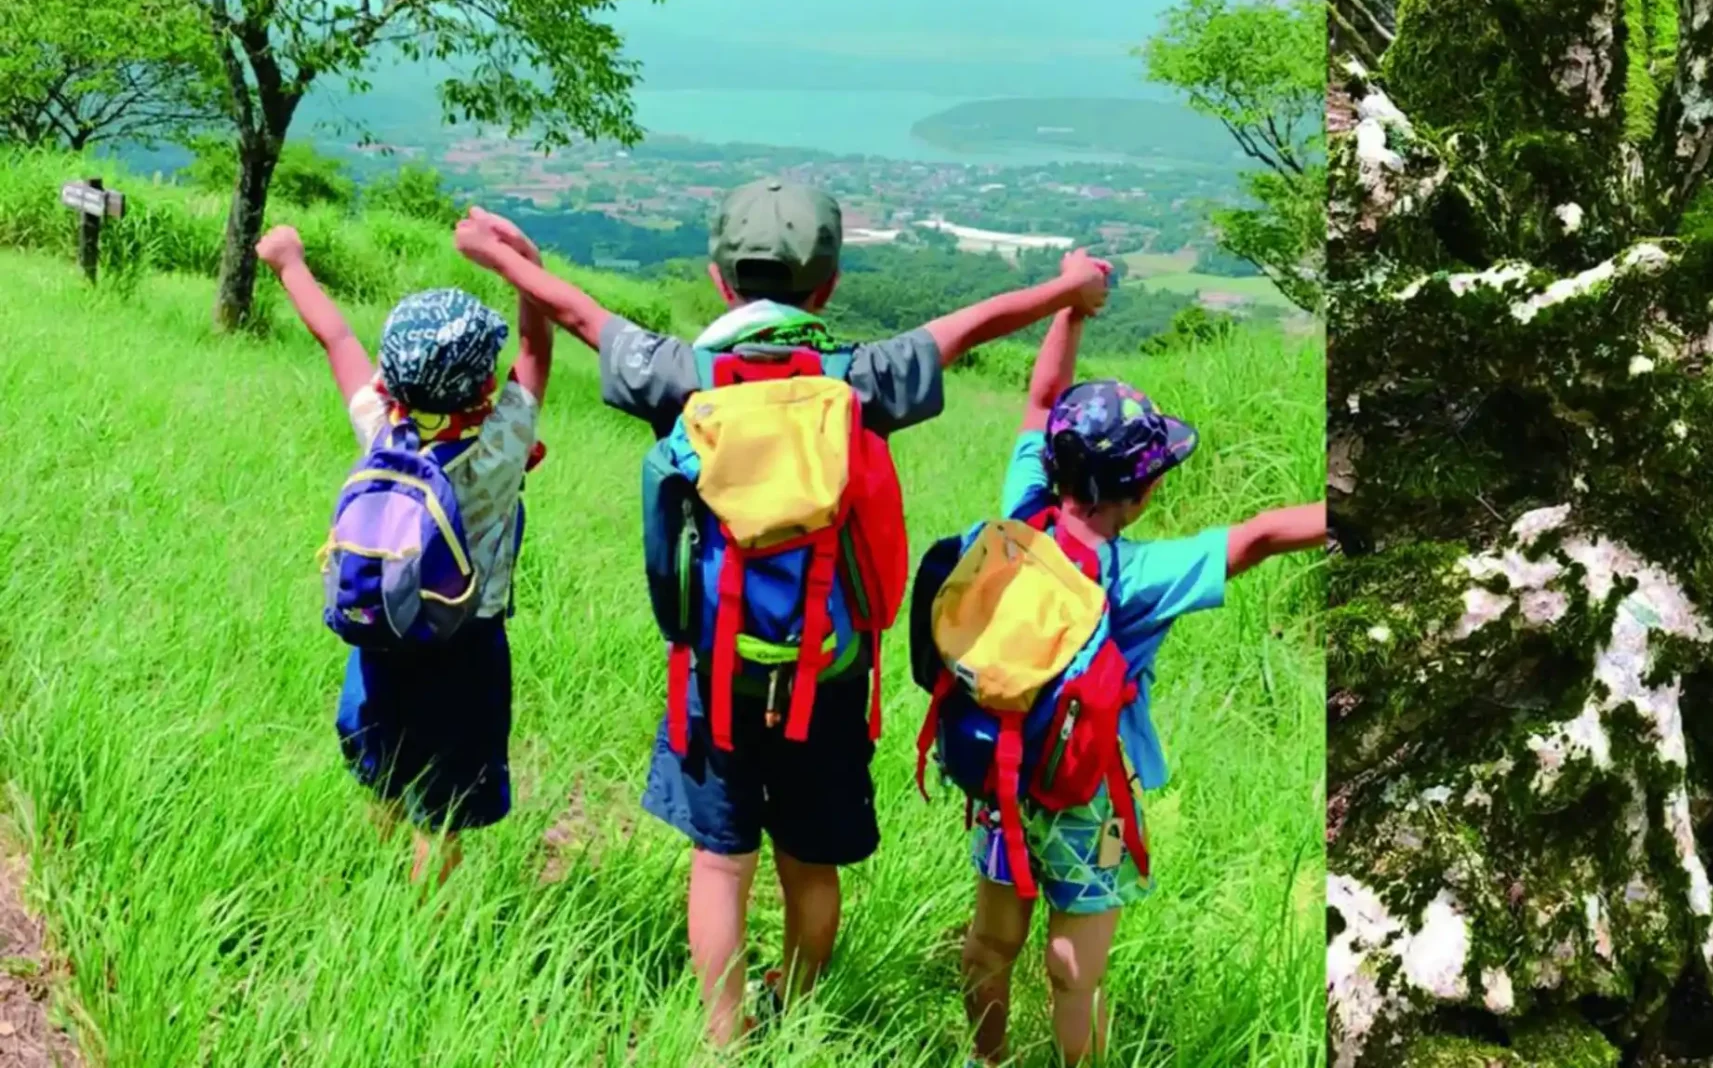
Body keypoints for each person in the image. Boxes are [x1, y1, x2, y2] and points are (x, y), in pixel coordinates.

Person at [451, 179, 1113, 1046]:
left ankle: (724, 1039)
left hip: (713, 680)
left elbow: (582, 317)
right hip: (828, 680)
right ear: (829, 286)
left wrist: (502, 257)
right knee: (810, 868)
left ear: (719, 280)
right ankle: (793, 1008)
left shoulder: (684, 375)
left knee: (720, 866)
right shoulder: (861, 379)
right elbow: (971, 327)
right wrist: (1070, 290)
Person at [936, 303, 1325, 1067]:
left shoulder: (1021, 513)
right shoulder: (1138, 576)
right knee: (1074, 974)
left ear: (1056, 465)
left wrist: (1073, 309)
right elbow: (1262, 537)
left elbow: (1042, 398)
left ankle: (986, 1060)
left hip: (1001, 779)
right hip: (1087, 796)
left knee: (989, 943)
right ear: (1141, 492)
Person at [256, 217, 550, 885]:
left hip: (381, 629)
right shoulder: (505, 441)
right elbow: (535, 347)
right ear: (485, 387)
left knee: (383, 771)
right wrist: (522, 265)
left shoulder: (380, 427)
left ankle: (375, 875)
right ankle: (424, 931)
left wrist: (289, 261)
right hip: (467, 643)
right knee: (439, 810)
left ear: (391, 376)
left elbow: (334, 336)